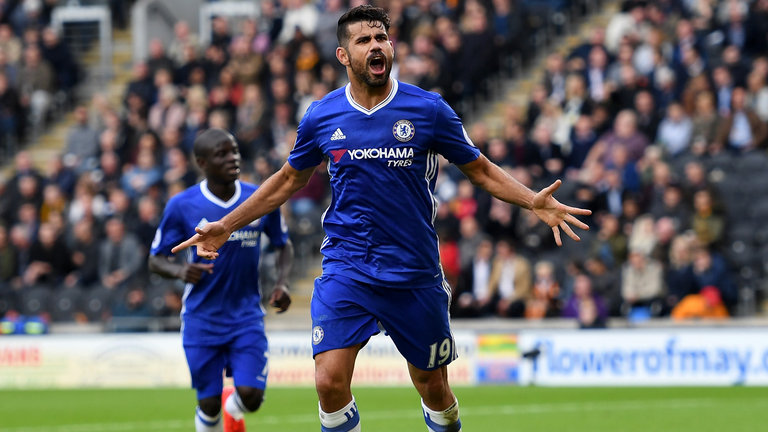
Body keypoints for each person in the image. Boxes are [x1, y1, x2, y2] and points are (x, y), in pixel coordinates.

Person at [172, 6, 590, 432]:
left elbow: (479, 169)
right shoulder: (322, 115)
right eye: (364, 40)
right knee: (328, 381)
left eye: (382, 38)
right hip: (347, 264)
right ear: (343, 55)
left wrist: (531, 201)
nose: (376, 46)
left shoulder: (428, 109)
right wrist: (227, 224)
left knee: (432, 387)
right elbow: (286, 181)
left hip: (413, 269)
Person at [148, 128, 294, 432]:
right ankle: (219, 411)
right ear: (202, 162)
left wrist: (282, 283)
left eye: (235, 151)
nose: (233, 158)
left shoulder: (259, 198)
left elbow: (283, 245)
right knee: (208, 404)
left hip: (246, 315)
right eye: (222, 154)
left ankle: (234, 408)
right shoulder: (182, 205)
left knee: (251, 397)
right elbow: (155, 258)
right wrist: (179, 271)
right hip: (202, 317)